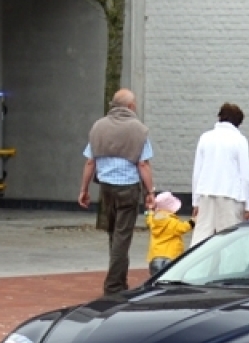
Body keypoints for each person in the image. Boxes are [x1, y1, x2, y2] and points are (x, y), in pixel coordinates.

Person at [79, 89, 157, 295]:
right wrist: (150, 192)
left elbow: (90, 161)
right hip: (128, 188)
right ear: (130, 107)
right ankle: (114, 285)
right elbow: (143, 164)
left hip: (106, 188)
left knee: (113, 234)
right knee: (122, 237)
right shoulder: (138, 129)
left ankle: (120, 281)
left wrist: (84, 189)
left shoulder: (98, 126)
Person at [191, 102, 249, 247]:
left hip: (206, 193)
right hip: (230, 195)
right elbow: (245, 175)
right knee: (230, 240)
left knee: (201, 238)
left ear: (219, 117)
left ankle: (196, 267)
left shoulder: (205, 137)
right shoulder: (239, 140)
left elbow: (197, 171)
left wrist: (195, 201)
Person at [145, 191, 193, 274]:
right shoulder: (171, 222)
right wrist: (193, 221)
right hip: (171, 256)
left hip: (155, 256)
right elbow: (183, 228)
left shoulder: (153, 219)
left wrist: (150, 209)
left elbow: (148, 217)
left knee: (156, 277)